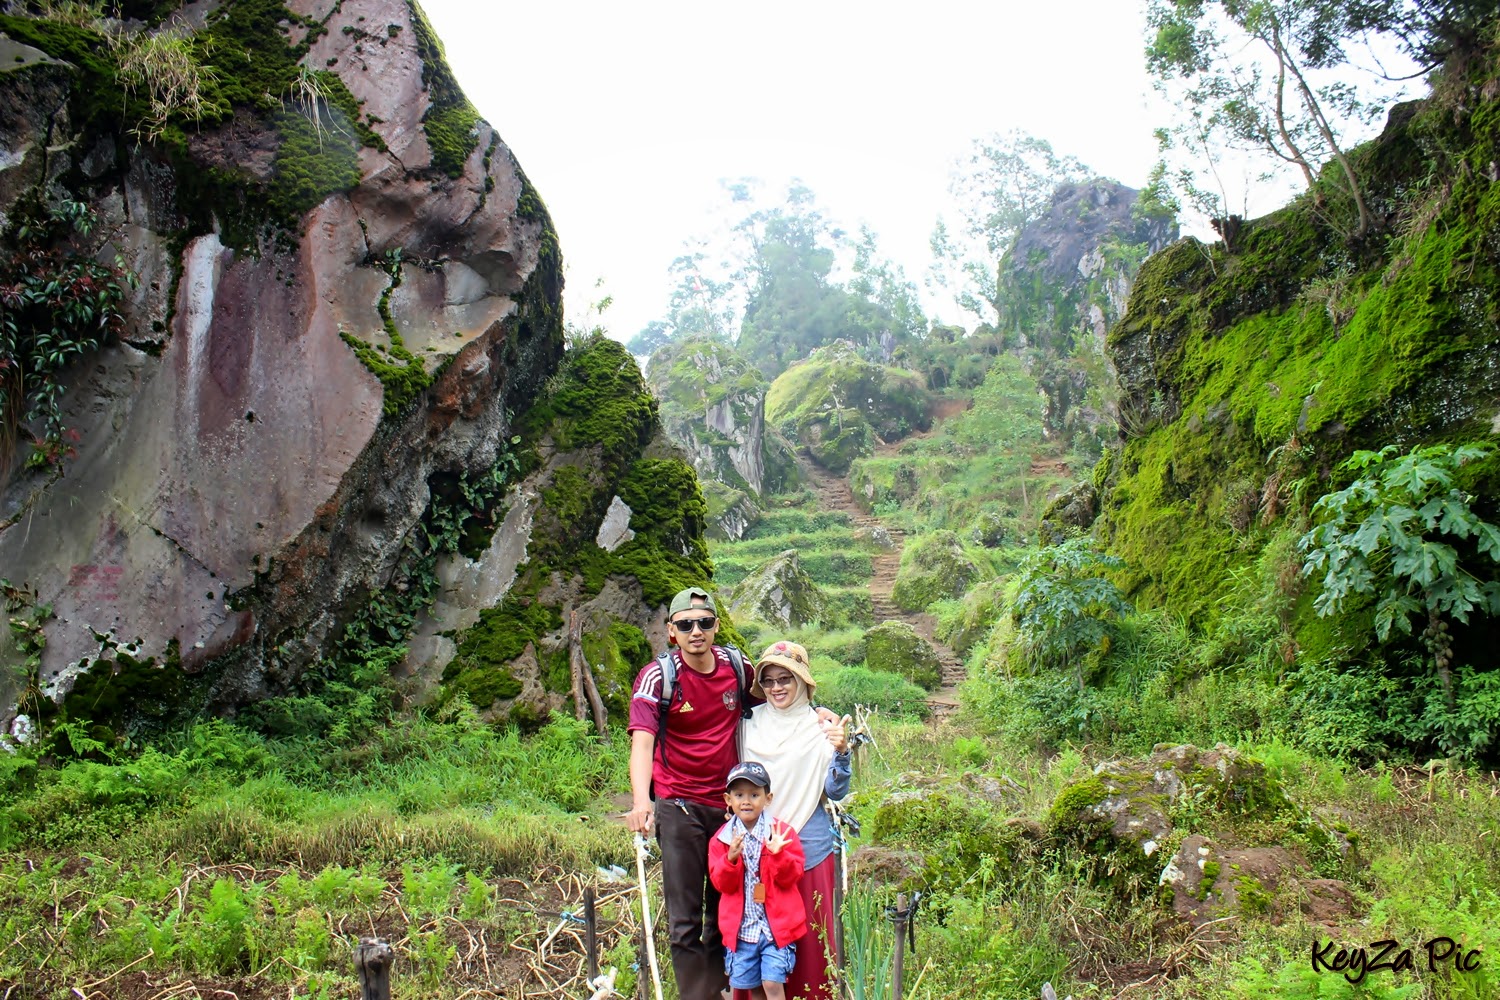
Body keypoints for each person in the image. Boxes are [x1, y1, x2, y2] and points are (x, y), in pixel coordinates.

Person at [626, 587, 744, 1000]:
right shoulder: (658, 677)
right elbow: (642, 742)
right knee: (685, 918)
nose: (697, 631)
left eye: (705, 622)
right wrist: (643, 802)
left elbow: (777, 697)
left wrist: (816, 711)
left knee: (723, 911)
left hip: (730, 810)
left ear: (716, 626)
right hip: (678, 805)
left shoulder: (736, 666)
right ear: (671, 632)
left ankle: (718, 990)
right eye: (686, 624)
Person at [741, 640, 851, 1000]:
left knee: (809, 939)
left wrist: (842, 752)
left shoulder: (821, 727)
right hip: (759, 852)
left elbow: (834, 793)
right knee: (758, 935)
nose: (776, 688)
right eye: (769, 680)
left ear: (802, 682)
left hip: (808, 849)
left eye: (785, 678)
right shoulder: (748, 725)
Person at [708, 761, 807, 1000]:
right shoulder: (721, 840)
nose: (746, 801)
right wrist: (730, 859)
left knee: (773, 982)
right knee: (752, 987)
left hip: (775, 930)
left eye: (754, 794)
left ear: (768, 798)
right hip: (743, 931)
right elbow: (721, 885)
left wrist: (777, 854)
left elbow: (793, 876)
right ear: (727, 799)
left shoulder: (781, 834)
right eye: (739, 794)